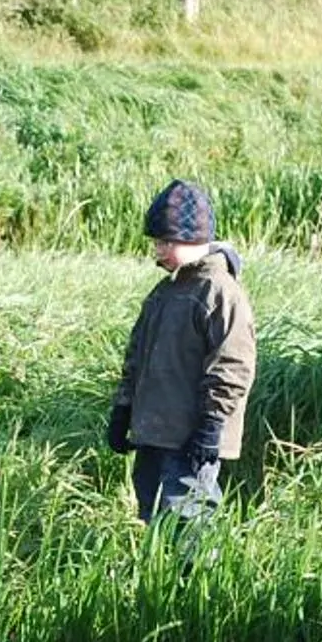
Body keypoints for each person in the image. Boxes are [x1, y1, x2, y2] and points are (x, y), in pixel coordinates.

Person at [106, 179, 257, 524]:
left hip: (192, 437)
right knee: (153, 513)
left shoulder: (220, 292)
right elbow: (136, 358)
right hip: (154, 433)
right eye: (156, 242)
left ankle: (193, 579)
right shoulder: (162, 293)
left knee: (188, 521)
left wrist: (211, 424)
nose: (158, 250)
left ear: (194, 239)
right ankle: (160, 578)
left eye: (166, 242)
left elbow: (233, 366)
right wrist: (123, 409)